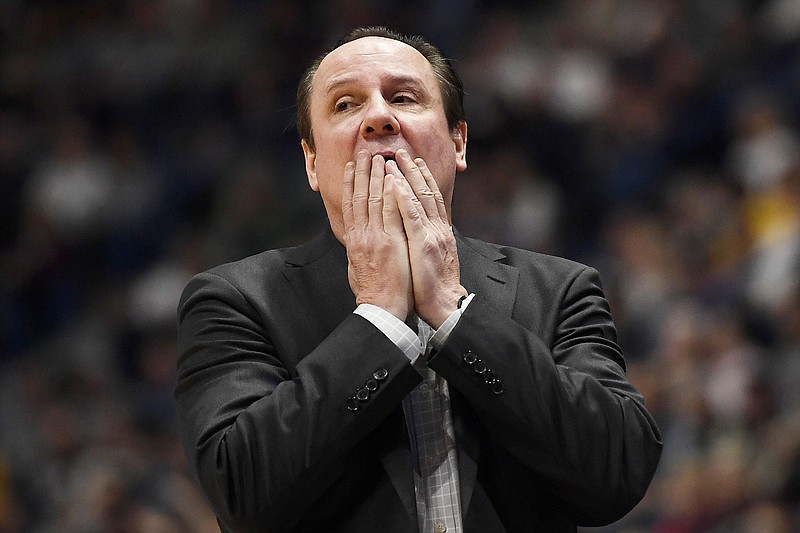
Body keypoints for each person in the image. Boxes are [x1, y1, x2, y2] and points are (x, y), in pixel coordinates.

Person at [175, 26, 662, 533]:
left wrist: (455, 312)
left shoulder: (560, 290)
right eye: (345, 105)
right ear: (313, 162)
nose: (379, 117)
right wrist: (380, 318)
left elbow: (618, 472)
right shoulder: (236, 301)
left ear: (458, 141)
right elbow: (241, 492)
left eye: (404, 97)